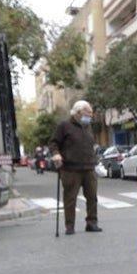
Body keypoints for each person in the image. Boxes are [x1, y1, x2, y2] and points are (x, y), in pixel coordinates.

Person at [49, 100, 101, 235]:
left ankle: (92, 223)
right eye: (88, 113)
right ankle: (69, 226)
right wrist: (56, 154)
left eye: (91, 114)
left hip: (89, 168)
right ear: (78, 113)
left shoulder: (88, 127)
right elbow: (53, 143)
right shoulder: (64, 126)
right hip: (70, 169)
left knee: (92, 197)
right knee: (70, 198)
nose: (90, 116)